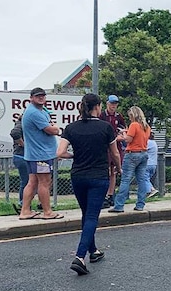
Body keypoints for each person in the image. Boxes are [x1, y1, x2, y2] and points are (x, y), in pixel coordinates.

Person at [56, 93, 121, 275]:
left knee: (86, 214)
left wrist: (74, 155)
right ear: (98, 107)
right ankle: (79, 256)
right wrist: (118, 168)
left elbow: (60, 152)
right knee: (92, 216)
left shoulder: (71, 128)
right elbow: (115, 154)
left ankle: (93, 251)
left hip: (78, 176)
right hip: (98, 177)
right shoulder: (105, 127)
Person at [18, 87, 62, 220]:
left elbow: (50, 125)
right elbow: (51, 129)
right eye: (37, 96)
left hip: (35, 154)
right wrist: (57, 129)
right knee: (44, 181)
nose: (41, 97)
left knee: (33, 182)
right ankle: (47, 212)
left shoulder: (40, 111)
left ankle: (25, 211)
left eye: (43, 95)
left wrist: (54, 127)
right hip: (40, 155)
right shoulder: (34, 113)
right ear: (31, 98)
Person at [109, 106, 151, 213]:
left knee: (125, 180)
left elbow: (128, 140)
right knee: (141, 180)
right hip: (144, 153)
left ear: (133, 115)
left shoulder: (134, 125)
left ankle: (119, 205)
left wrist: (123, 134)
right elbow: (139, 136)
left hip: (132, 154)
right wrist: (126, 130)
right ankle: (140, 204)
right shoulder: (146, 126)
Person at [100, 95, 126, 209]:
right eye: (111, 103)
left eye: (115, 104)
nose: (113, 106)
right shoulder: (102, 115)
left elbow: (124, 129)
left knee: (113, 171)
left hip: (116, 146)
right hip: (105, 147)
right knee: (105, 171)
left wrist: (120, 136)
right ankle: (103, 195)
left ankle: (110, 195)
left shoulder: (118, 116)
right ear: (107, 103)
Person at [9, 114, 29, 214]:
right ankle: (22, 204)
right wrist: (24, 145)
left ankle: (26, 204)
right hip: (22, 157)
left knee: (31, 181)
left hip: (23, 157)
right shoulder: (21, 124)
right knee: (27, 181)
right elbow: (14, 133)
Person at [143, 132, 160, 199]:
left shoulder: (147, 142)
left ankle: (151, 190)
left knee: (144, 178)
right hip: (153, 164)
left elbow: (141, 149)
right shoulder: (154, 142)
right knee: (147, 179)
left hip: (147, 163)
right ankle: (147, 193)